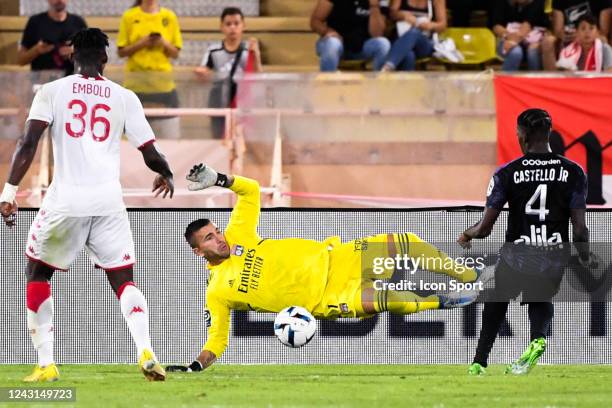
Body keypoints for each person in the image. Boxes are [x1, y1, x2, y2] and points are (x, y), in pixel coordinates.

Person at [164, 164, 492, 373]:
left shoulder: (239, 234)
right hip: (327, 299)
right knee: (385, 299)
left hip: (338, 258)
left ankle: (468, 275)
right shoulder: (218, 291)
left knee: (404, 240)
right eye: (209, 239)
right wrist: (195, 366)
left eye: (216, 231)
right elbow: (217, 339)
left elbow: (249, 191)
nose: (219, 239)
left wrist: (219, 179)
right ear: (198, 252)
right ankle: (441, 300)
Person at [0, 28, 174, 382]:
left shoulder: (52, 92)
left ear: (70, 56)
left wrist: (8, 192)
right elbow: (150, 153)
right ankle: (146, 350)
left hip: (67, 199)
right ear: (106, 59)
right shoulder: (124, 97)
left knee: (38, 272)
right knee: (124, 280)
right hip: (109, 201)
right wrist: (166, 173)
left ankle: (46, 363)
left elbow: (28, 141)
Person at [458, 108, 591, 376]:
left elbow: (485, 228)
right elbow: (579, 228)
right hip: (554, 252)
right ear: (549, 133)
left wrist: (467, 234)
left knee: (497, 300)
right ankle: (538, 338)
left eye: (518, 132)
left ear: (523, 135)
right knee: (539, 296)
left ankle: (479, 361)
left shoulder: (507, 173)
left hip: (517, 253)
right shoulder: (574, 172)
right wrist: (585, 255)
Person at [117, 0, 182, 139]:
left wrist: (163, 42)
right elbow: (121, 51)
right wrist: (143, 43)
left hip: (163, 85)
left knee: (168, 137)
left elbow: (175, 53)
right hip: (135, 85)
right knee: (132, 139)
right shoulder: (129, 16)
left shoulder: (169, 16)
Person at [194, 7, 262, 139]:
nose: (232, 28)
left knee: (244, 140)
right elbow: (205, 72)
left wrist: (257, 55)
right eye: (228, 24)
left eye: (236, 23)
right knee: (219, 140)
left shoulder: (249, 51)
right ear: (221, 27)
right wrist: (201, 73)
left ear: (243, 26)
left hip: (243, 104)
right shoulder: (213, 51)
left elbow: (258, 76)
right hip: (219, 104)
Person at [310, 0, 391, 71]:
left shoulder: (380, 2)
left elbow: (377, 34)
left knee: (383, 44)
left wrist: (374, 6)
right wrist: (327, 31)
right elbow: (315, 21)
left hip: (361, 46)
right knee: (332, 43)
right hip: (336, 42)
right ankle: (327, 85)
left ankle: (378, 84)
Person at [18, 0, 87, 76]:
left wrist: (75, 53)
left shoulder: (78, 23)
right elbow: (21, 60)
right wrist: (36, 50)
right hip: (42, 82)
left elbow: (92, 59)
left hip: (71, 81)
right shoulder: (35, 22)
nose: (59, 0)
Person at [542, 0, 611, 70]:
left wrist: (585, 34)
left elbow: (604, 31)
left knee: (603, 39)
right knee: (547, 41)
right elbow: (558, 31)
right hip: (569, 37)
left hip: (593, 34)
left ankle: (603, 75)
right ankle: (555, 79)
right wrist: (575, 35)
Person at [382, 0, 448, 71]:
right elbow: (392, 13)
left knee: (414, 32)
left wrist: (430, 26)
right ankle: (406, 81)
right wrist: (403, 15)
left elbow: (443, 25)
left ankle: (388, 66)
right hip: (401, 39)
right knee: (409, 55)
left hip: (424, 43)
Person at [492, 0, 549, 71]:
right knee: (516, 52)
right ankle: (507, 79)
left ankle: (534, 80)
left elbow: (526, 27)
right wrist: (507, 36)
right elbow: (496, 26)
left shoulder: (538, 3)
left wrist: (512, 42)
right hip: (507, 40)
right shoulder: (501, 2)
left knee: (533, 51)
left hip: (532, 40)